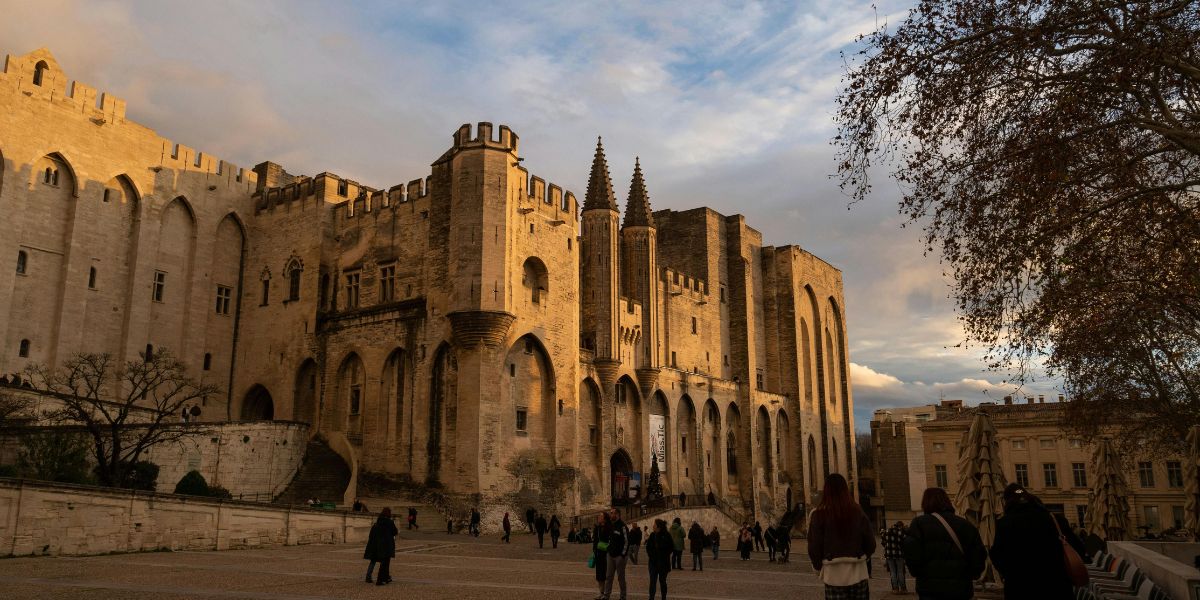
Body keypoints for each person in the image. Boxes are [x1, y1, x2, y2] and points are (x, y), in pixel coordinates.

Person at [991, 484, 1082, 600]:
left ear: (1007, 502)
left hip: (1020, 588)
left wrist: (1010, 574)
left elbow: (996, 555)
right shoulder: (1055, 520)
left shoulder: (1005, 524)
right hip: (1057, 587)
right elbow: (1078, 549)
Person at [902, 487, 987, 599]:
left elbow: (911, 554)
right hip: (960, 589)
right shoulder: (965, 525)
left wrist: (920, 573)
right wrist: (970, 575)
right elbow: (979, 555)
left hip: (930, 589)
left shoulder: (919, 524)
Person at [807, 473, 875, 600]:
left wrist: (818, 567)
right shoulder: (857, 511)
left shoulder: (819, 515)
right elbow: (870, 542)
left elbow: (814, 546)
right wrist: (862, 557)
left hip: (833, 575)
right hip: (857, 571)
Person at [363, 507, 398, 586]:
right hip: (386, 545)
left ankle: (369, 576)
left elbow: (371, 535)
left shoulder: (377, 523)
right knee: (385, 562)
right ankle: (382, 578)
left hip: (376, 544)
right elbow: (395, 532)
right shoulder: (389, 522)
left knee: (373, 560)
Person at [603, 508, 630, 600]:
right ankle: (606, 595)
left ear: (617, 514)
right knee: (608, 577)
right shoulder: (611, 525)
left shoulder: (623, 526)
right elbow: (609, 539)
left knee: (621, 578)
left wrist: (622, 555)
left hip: (619, 556)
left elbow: (627, 542)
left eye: (612, 513)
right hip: (610, 555)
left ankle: (623, 596)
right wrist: (608, 549)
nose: (610, 515)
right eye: (610, 513)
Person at [645, 519, 672, 600]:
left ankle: (663, 597)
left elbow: (670, 548)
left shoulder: (666, 535)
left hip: (663, 563)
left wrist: (662, 554)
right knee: (652, 581)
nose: (653, 526)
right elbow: (648, 548)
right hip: (653, 563)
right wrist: (652, 556)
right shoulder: (652, 535)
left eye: (654, 524)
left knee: (662, 581)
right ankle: (651, 597)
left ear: (658, 526)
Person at [881, 521, 908, 594]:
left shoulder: (886, 532)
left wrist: (887, 546)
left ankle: (895, 589)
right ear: (900, 526)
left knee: (892, 572)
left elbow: (883, 542)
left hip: (889, 555)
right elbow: (905, 541)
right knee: (900, 572)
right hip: (899, 555)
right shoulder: (900, 533)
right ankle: (903, 588)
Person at [593, 511, 611, 600]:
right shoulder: (597, 528)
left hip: (606, 554)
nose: (598, 517)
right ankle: (601, 592)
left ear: (605, 518)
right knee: (599, 575)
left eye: (600, 516)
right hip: (598, 553)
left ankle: (606, 594)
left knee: (606, 575)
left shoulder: (609, 527)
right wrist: (594, 551)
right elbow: (595, 541)